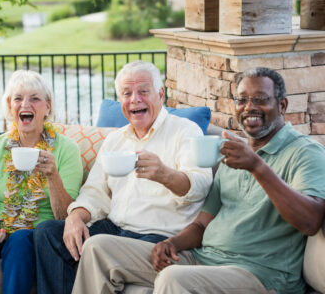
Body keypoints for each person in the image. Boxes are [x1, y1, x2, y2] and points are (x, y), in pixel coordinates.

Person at [72, 67, 325, 294]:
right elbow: (203, 224)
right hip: (204, 258)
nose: (249, 107)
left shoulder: (304, 152)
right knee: (98, 248)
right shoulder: (234, 152)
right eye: (242, 100)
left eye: (260, 99)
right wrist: (170, 243)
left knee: (173, 278)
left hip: (261, 273)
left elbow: (311, 221)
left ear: (282, 105)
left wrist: (258, 167)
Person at [34, 60, 213, 294]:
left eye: (143, 91)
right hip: (114, 228)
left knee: (97, 246)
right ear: (120, 102)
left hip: (157, 236)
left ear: (161, 94)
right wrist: (76, 217)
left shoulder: (185, 131)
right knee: (47, 233)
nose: (135, 99)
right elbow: (95, 192)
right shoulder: (115, 140)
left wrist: (164, 175)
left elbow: (200, 186)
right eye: (127, 93)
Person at [0, 70, 83, 294]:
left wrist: (52, 176)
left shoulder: (66, 149)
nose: (26, 104)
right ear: (9, 106)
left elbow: (65, 216)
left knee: (21, 240)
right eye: (18, 98)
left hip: (36, 231)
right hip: (1, 224)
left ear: (48, 106)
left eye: (35, 98)